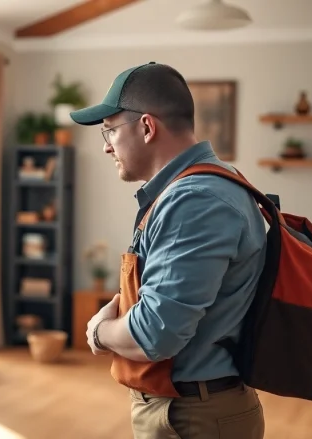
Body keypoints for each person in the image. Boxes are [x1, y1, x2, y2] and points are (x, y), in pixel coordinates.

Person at [71, 62, 268, 439]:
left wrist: (99, 332)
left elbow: (155, 334)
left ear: (147, 127)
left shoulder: (195, 200)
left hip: (192, 417)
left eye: (110, 129)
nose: (105, 144)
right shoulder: (211, 183)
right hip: (194, 406)